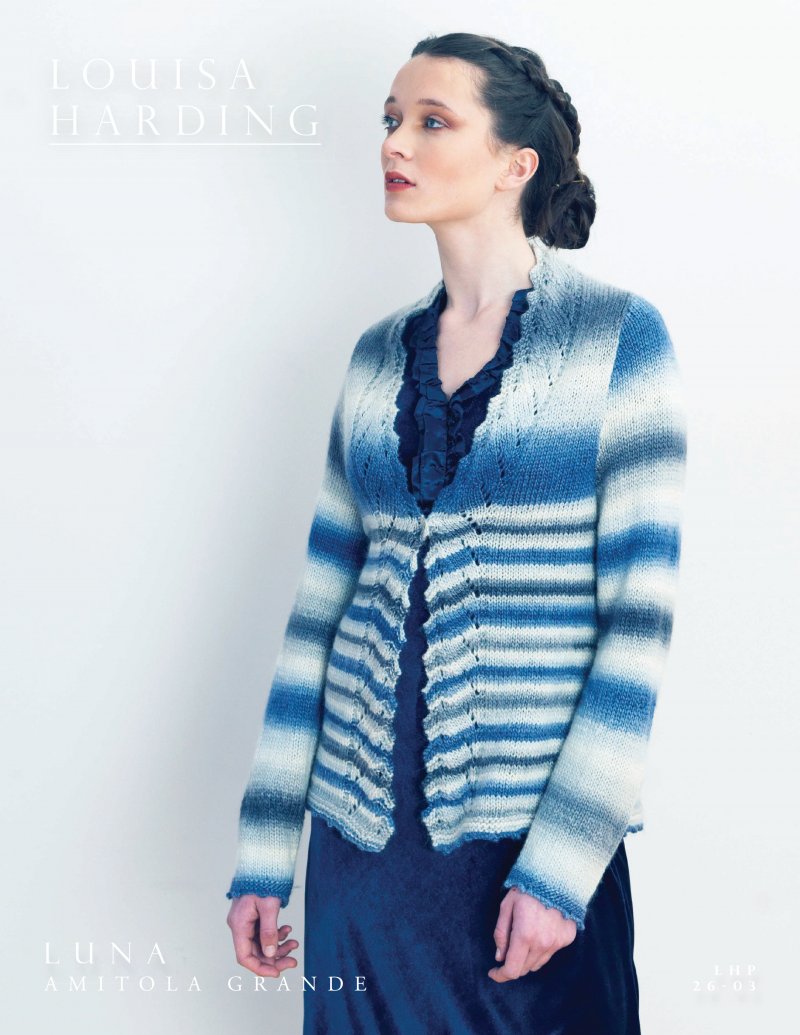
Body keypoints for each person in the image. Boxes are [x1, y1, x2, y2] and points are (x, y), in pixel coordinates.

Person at [225, 31, 687, 1035]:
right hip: (359, 848)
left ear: (516, 163)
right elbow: (318, 617)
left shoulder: (619, 340)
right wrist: (264, 848)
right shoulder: (373, 359)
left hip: (523, 856)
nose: (395, 141)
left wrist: (561, 867)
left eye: (432, 121)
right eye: (391, 119)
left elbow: (637, 629)